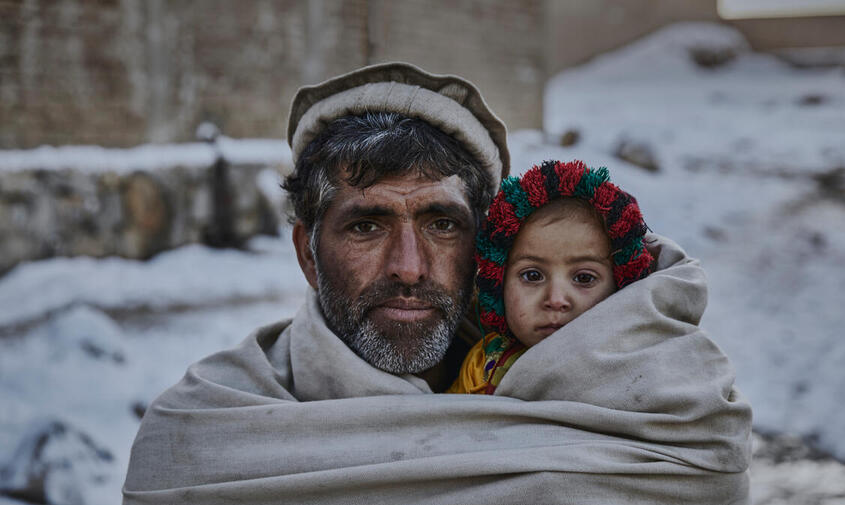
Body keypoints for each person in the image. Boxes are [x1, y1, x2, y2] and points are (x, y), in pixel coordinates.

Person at [123, 62, 752, 504]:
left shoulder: (644, 412)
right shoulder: (204, 436)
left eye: (442, 224)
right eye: (366, 226)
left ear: (485, 250)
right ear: (307, 254)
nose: (409, 266)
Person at [449, 160, 654, 394]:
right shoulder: (484, 365)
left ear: (621, 286)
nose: (556, 300)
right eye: (532, 275)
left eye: (584, 278)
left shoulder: (639, 365)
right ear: (498, 283)